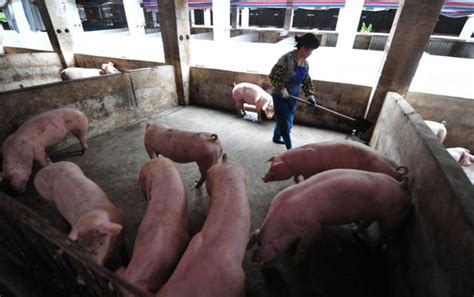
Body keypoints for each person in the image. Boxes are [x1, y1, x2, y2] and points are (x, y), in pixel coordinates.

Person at [269, 33, 320, 149]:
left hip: (293, 96)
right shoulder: (285, 59)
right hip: (279, 95)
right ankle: (290, 149)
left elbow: (306, 80)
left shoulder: (305, 64)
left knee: (287, 119)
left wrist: (310, 95)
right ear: (303, 48)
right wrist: (281, 89)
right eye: (309, 51)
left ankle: (276, 137)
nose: (310, 54)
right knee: (285, 123)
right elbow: (273, 76)